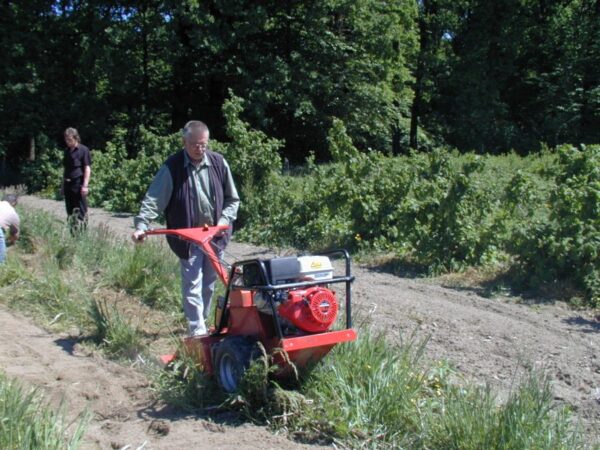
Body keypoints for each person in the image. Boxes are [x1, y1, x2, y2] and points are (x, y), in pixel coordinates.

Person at [131, 120, 240, 336]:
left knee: (209, 284)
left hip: (214, 236)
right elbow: (154, 199)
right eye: (194, 145)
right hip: (188, 239)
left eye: (203, 145)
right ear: (184, 142)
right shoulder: (172, 167)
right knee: (192, 285)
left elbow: (232, 199)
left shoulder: (219, 163)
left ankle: (203, 323)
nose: (199, 149)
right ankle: (196, 333)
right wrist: (142, 225)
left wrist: (223, 221)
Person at [63, 127, 92, 231]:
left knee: (81, 212)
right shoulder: (66, 151)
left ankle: (83, 235)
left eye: (69, 140)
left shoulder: (83, 150)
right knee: (70, 212)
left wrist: (85, 185)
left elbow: (87, 168)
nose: (68, 142)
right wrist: (62, 186)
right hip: (68, 185)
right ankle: (73, 235)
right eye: (66, 140)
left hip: (78, 185)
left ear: (76, 138)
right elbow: (66, 169)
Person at [0, 194, 20, 264]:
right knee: (1, 262)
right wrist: (11, 242)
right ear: (13, 203)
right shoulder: (13, 213)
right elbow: (15, 235)